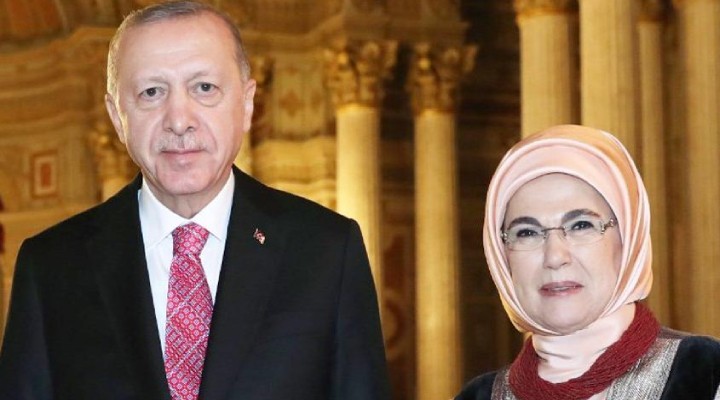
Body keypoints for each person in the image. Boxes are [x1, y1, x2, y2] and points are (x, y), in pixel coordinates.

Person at [0, 1, 391, 399]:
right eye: (152, 92)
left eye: (204, 88)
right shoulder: (51, 267)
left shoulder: (326, 251)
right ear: (117, 117)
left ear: (247, 104)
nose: (179, 120)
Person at [456, 124, 720, 400]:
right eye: (527, 232)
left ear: (629, 240)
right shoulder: (477, 396)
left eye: (581, 225)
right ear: (501, 255)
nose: (555, 257)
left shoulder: (706, 374)